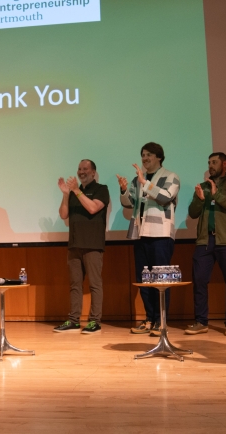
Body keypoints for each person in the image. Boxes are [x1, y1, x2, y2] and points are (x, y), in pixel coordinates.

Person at [117, 142, 180, 336]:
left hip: (160, 234)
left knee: (160, 281)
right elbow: (131, 204)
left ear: (159, 157)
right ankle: (150, 319)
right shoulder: (139, 180)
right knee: (144, 281)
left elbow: (166, 196)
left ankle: (161, 322)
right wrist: (124, 190)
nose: (144, 158)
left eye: (148, 155)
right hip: (141, 233)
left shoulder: (171, 176)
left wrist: (145, 183)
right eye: (143, 155)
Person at [186, 152, 226, 336]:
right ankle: (201, 321)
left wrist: (217, 195)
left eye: (214, 162)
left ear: (224, 164)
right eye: (209, 163)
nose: (210, 166)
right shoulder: (203, 186)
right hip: (205, 240)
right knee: (199, 281)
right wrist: (199, 199)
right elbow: (193, 213)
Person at [53, 160, 110, 334]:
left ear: (93, 172)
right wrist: (65, 194)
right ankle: (73, 320)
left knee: (94, 284)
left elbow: (93, 208)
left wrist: (76, 191)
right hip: (75, 244)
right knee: (75, 284)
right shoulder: (73, 193)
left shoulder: (101, 189)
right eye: (79, 169)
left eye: (85, 169)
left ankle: (95, 321)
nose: (81, 171)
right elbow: (64, 214)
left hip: (92, 244)